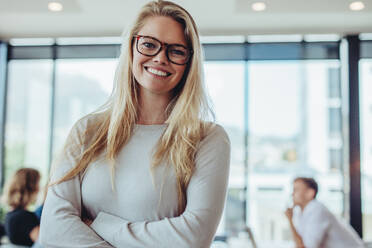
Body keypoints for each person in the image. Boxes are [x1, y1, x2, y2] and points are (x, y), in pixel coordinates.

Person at [39, 1, 231, 247]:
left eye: (176, 51)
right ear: (131, 47)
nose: (161, 58)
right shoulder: (87, 131)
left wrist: (101, 223)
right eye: (149, 45)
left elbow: (193, 238)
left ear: (189, 62)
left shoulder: (207, 138)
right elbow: (54, 231)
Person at [285, 177, 364, 248]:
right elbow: (299, 244)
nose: (292, 194)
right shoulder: (299, 212)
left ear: (310, 193)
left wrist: (290, 221)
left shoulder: (317, 210)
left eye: (296, 190)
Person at [3, 168, 42, 247]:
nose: (40, 189)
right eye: (38, 184)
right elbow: (44, 243)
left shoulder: (10, 215)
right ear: (31, 188)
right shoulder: (25, 217)